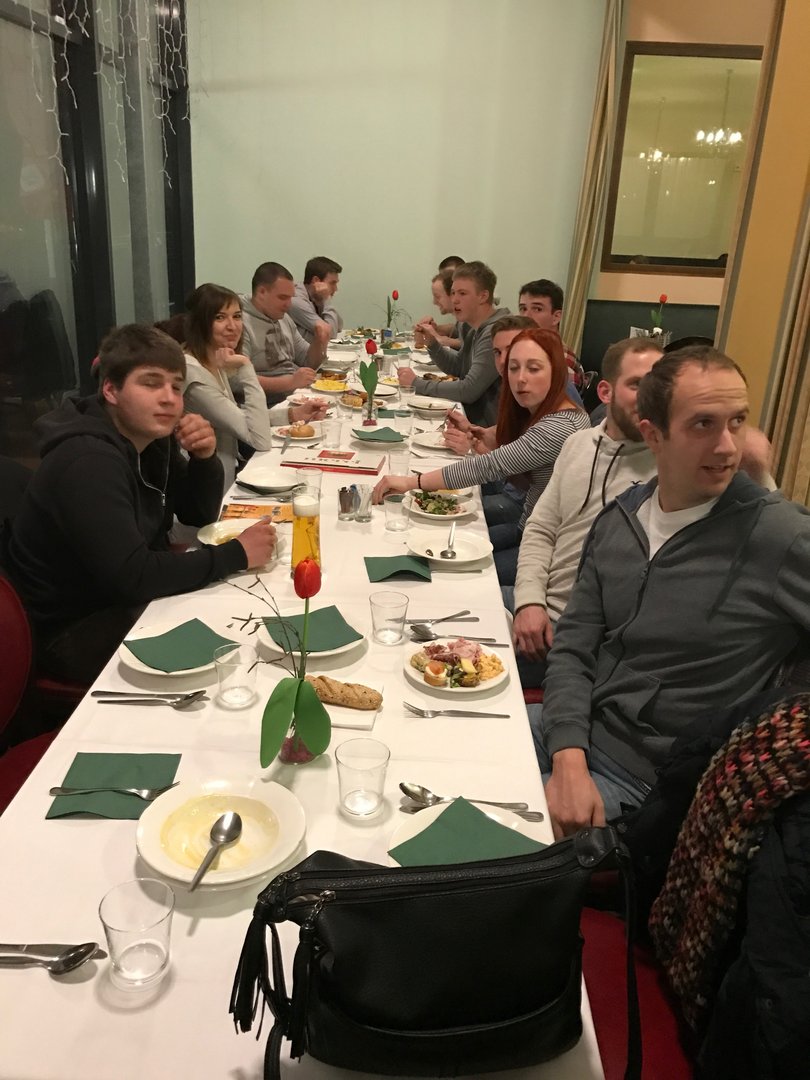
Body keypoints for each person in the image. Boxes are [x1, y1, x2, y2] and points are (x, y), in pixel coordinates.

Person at [536, 346, 810, 838]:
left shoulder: (777, 535)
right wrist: (569, 754)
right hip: (576, 730)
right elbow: (574, 647)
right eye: (703, 424)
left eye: (737, 422)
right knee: (433, 748)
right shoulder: (621, 518)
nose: (727, 447)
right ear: (653, 435)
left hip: (651, 782)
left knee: (466, 841)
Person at [3, 325, 277, 684]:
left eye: (176, 386)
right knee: (237, 656)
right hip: (73, 629)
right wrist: (236, 554)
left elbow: (196, 514)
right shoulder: (87, 461)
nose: (169, 398)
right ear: (110, 390)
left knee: (247, 614)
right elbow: (133, 576)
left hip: (123, 599)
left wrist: (204, 458)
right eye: (151, 383)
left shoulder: (151, 438)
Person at [375, 327, 589, 583]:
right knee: (429, 552)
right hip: (529, 528)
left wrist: (412, 482)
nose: (520, 378)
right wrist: (481, 436)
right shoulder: (548, 410)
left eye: (533, 369)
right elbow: (511, 449)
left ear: (556, 372)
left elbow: (488, 467)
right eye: (513, 368)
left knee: (451, 575)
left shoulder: (561, 425)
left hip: (548, 551)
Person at [509, 338, 663, 677]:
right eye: (637, 385)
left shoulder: (670, 467)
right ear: (605, 392)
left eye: (660, 386)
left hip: (577, 638)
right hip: (538, 604)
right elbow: (541, 529)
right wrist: (529, 601)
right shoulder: (578, 444)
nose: (651, 398)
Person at [182, 283, 273, 493]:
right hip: (206, 491)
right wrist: (245, 366)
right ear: (200, 324)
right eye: (220, 318)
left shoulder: (212, 360)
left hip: (225, 478)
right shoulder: (195, 376)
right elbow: (259, 439)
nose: (232, 326)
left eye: (237, 316)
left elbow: (236, 416)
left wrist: (290, 415)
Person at [397, 261, 510, 425]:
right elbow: (458, 367)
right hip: (472, 418)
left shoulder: (496, 332)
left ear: (483, 296)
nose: (455, 300)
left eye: (462, 293)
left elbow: (468, 390)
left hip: (487, 427)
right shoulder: (474, 327)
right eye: (453, 293)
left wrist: (416, 384)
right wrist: (432, 343)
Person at [240, 262, 329, 405]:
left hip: (294, 396)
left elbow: (308, 361)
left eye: (290, 298)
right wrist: (290, 382)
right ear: (262, 292)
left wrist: (319, 340)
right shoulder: (239, 323)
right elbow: (238, 381)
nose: (289, 304)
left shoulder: (283, 318)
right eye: (283, 297)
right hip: (267, 405)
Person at [518, 279, 583, 386]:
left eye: (537, 309)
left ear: (556, 317)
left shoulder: (561, 360)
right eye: (523, 309)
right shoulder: (526, 351)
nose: (526, 316)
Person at [289, 256, 343, 344]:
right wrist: (326, 299)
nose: (336, 289)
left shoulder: (315, 297)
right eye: (332, 283)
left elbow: (339, 327)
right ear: (316, 281)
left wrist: (322, 304)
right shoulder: (296, 301)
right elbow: (331, 334)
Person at [414, 269, 460, 349]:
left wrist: (440, 339)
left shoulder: (475, 318)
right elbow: (457, 330)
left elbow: (472, 345)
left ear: (453, 294)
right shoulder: (462, 320)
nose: (434, 302)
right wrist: (434, 329)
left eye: (437, 297)